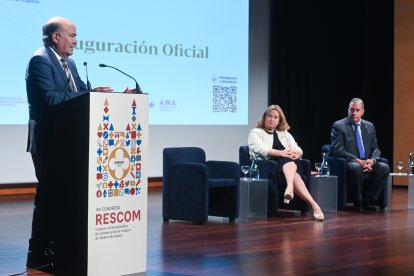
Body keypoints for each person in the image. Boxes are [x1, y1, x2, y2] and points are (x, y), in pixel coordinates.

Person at [25, 16, 136, 273]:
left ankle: (61, 248)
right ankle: (39, 253)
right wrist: (88, 94)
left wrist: (108, 96)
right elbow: (51, 100)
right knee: (49, 196)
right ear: (56, 37)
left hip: (70, 141)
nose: (76, 41)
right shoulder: (40, 60)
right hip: (50, 142)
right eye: (72, 35)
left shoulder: (70, 63)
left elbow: (80, 98)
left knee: (64, 198)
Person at [248, 105, 324, 221]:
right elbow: (259, 148)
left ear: (279, 120)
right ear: (264, 118)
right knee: (289, 164)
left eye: (275, 117)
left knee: (289, 161)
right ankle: (314, 205)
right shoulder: (256, 132)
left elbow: (298, 148)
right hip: (269, 165)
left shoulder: (284, 134)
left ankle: (289, 188)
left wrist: (297, 154)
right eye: (269, 116)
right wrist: (280, 153)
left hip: (289, 165)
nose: (272, 119)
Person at [330, 98, 390, 212]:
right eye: (351, 110)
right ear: (348, 110)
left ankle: (368, 200)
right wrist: (357, 160)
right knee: (356, 167)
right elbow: (337, 150)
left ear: (363, 111)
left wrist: (372, 160)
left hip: (366, 161)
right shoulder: (339, 126)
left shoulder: (369, 126)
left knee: (384, 168)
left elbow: (375, 148)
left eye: (357, 110)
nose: (354, 113)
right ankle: (358, 202)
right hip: (350, 162)